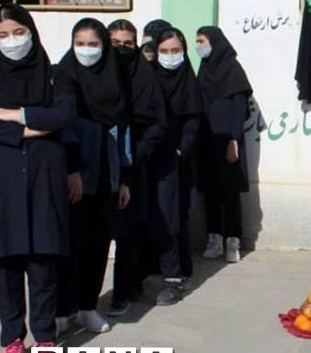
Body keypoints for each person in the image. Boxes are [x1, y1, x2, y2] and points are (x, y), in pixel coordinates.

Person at [0, 4, 76, 353]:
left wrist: (14, 115)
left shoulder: (56, 76)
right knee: (6, 266)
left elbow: (63, 115)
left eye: (18, 32)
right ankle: (12, 342)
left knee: (43, 264)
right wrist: (31, 128)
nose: (12, 41)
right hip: (0, 181)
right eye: (2, 35)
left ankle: (44, 340)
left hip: (43, 176)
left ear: (32, 31)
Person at [54, 18, 132, 334]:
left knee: (98, 244)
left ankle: (88, 307)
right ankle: (62, 310)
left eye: (94, 44)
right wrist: (71, 170)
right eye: (80, 43)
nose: (87, 50)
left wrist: (124, 178)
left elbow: (124, 130)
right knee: (68, 245)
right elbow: (59, 127)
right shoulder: (63, 76)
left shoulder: (116, 78)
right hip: (74, 177)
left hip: (107, 176)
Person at [106, 19, 167, 316]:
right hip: (99, 162)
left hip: (134, 164)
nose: (121, 49)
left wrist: (136, 152)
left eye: (127, 44)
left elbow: (158, 121)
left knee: (129, 233)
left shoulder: (145, 77)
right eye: (114, 43)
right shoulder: (98, 74)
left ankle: (124, 291)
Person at [150, 27, 203, 305]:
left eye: (175, 51)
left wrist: (182, 148)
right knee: (155, 216)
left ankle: (174, 278)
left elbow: (192, 120)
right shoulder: (149, 79)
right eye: (164, 51)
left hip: (175, 160)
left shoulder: (188, 83)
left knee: (172, 217)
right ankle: (170, 270)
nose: (170, 57)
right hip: (148, 156)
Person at [195, 26, 253, 263]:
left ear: (215, 42)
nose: (199, 46)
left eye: (202, 41)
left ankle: (233, 242)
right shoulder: (204, 70)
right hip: (207, 140)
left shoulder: (232, 69)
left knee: (229, 192)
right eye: (197, 41)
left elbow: (239, 109)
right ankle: (214, 239)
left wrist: (233, 140)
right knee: (210, 192)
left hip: (229, 141)